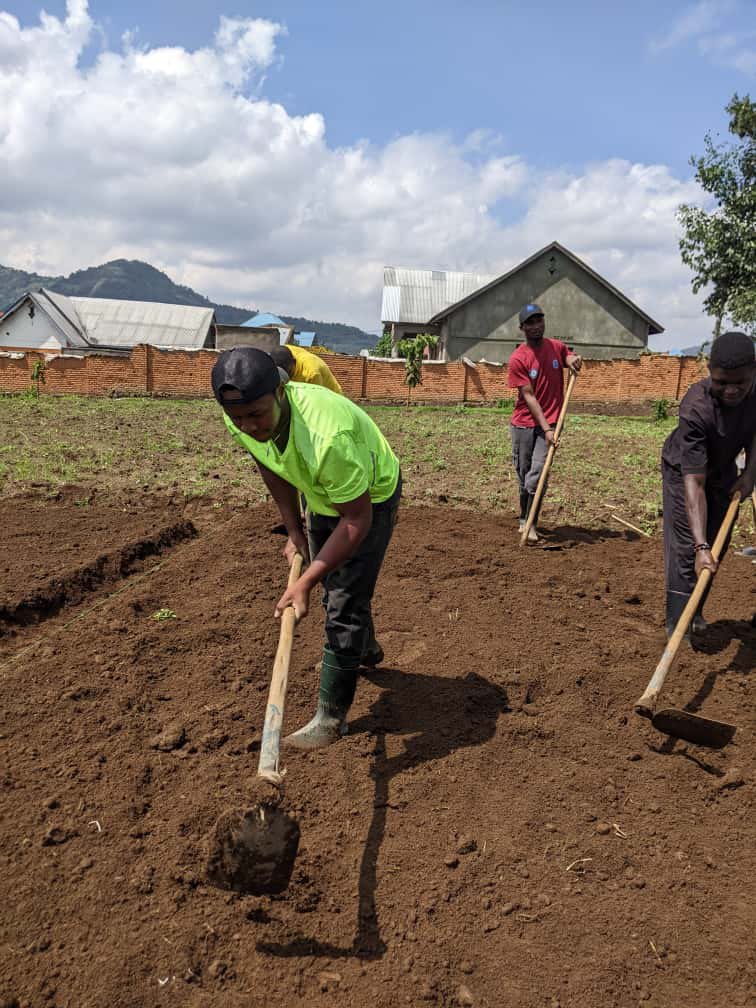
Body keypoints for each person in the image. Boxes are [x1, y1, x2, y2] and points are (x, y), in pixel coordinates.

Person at [211, 346, 401, 749]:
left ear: (281, 391)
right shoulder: (240, 418)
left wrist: (305, 582)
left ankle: (331, 719)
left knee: (342, 599)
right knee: (338, 587)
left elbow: (356, 519)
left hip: (370, 496)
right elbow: (270, 463)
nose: (248, 426)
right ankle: (363, 647)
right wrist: (294, 528)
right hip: (320, 493)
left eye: (256, 414)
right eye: (238, 418)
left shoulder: (325, 436)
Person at [661, 331, 755, 638]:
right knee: (688, 546)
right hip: (685, 473)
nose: (731, 390)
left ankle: (696, 610)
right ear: (710, 372)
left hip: (725, 469)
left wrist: (750, 474)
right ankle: (678, 625)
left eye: (740, 382)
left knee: (718, 543)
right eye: (721, 382)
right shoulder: (696, 407)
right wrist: (700, 546)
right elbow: (695, 483)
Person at [508, 304, 582, 542]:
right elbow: (529, 397)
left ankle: (531, 524)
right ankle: (524, 518)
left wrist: (572, 360)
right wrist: (546, 427)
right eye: (530, 323)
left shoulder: (555, 347)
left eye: (539, 320)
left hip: (550, 424)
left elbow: (566, 356)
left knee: (538, 474)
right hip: (524, 424)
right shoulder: (519, 358)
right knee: (524, 476)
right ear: (522, 328)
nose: (536, 326)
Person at [269, 344, 343, 394]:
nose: (285, 379)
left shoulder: (311, 373)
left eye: (289, 373)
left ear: (294, 362)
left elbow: (316, 401)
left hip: (330, 399)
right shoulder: (282, 352)